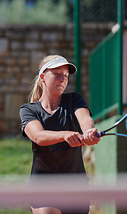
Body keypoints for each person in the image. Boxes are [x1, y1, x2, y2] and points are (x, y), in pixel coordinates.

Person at [19, 55, 100, 214]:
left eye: (65, 75)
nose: (62, 78)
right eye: (57, 73)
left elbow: (85, 119)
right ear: (42, 77)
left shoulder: (74, 99)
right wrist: (64, 135)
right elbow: (38, 137)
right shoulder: (28, 110)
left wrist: (89, 130)